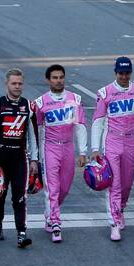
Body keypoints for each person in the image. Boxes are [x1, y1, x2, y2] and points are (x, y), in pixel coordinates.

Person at [92, 57, 134, 242]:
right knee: (115, 184)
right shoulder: (105, 92)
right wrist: (95, 148)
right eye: (121, 73)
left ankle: (121, 209)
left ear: (130, 73)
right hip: (112, 142)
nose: (124, 76)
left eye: (127, 73)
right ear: (115, 73)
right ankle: (114, 222)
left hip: (130, 142)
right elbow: (98, 121)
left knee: (127, 183)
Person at [0, 69, 39, 249]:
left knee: (19, 197)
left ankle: (21, 233)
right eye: (14, 83)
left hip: (19, 158)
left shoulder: (29, 107)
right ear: (6, 84)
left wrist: (34, 160)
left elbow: (33, 135)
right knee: (0, 195)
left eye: (20, 83)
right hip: (0, 158)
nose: (17, 86)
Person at [32, 64, 87, 244]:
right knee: (53, 188)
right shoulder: (40, 103)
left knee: (64, 188)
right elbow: (37, 130)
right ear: (48, 80)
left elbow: (80, 126)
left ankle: (50, 211)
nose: (58, 80)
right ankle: (56, 223)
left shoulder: (74, 99)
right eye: (55, 78)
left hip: (68, 148)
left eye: (61, 77)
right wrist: (36, 155)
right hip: (50, 148)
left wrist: (83, 151)